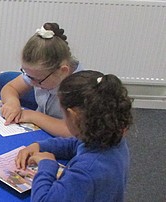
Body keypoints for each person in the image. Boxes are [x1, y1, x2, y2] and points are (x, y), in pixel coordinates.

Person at [15, 70, 132, 201]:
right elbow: (76, 144)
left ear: (73, 115)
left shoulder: (86, 171)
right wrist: (40, 145)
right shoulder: (109, 136)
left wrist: (47, 165)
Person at [0, 22, 81, 137]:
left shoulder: (81, 88)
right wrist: (12, 102)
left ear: (63, 71)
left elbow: (72, 131)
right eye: (28, 76)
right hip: (41, 133)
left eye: (38, 80)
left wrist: (33, 116)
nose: (32, 83)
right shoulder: (40, 75)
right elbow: (10, 88)